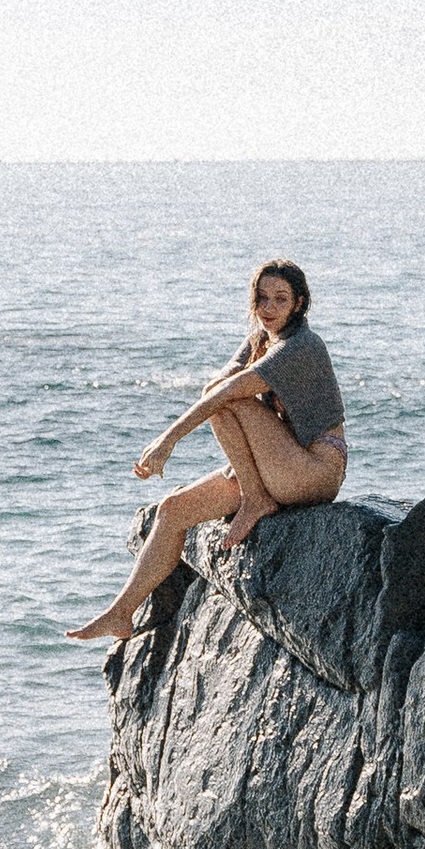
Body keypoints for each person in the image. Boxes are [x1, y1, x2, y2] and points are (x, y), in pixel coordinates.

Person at [66, 260, 348, 642]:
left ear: (299, 304)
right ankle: (120, 613)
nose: (268, 308)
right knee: (172, 510)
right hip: (278, 462)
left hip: (315, 468)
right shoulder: (260, 340)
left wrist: (167, 440)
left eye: (280, 299)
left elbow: (226, 395)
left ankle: (254, 498)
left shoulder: (302, 346)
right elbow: (219, 383)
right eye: (261, 298)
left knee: (225, 397)